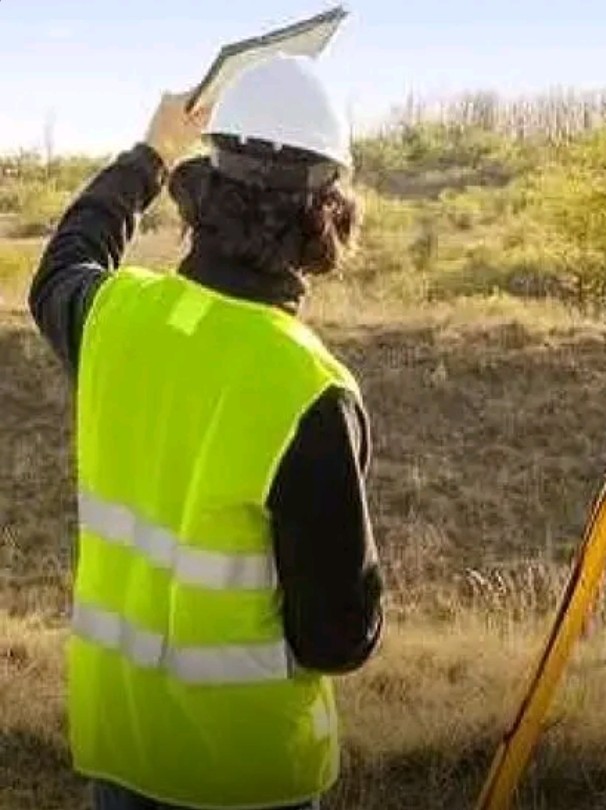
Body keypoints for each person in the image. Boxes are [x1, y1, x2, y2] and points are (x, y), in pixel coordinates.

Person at [27, 54, 383, 810]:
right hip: (249, 778)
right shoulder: (311, 391)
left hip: (123, 752)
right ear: (330, 214)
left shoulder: (117, 318)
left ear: (205, 192)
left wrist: (152, 151)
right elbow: (336, 639)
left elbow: (63, 266)